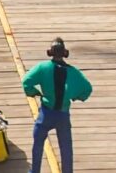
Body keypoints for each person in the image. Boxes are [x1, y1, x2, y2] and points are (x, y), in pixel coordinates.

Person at [22, 37, 92, 173]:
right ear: (65, 53)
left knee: (38, 144)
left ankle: (35, 171)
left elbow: (26, 82)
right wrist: (74, 96)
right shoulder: (73, 72)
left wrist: (34, 92)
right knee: (66, 148)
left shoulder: (43, 67)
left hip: (46, 114)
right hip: (63, 115)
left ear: (50, 52)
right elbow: (87, 89)